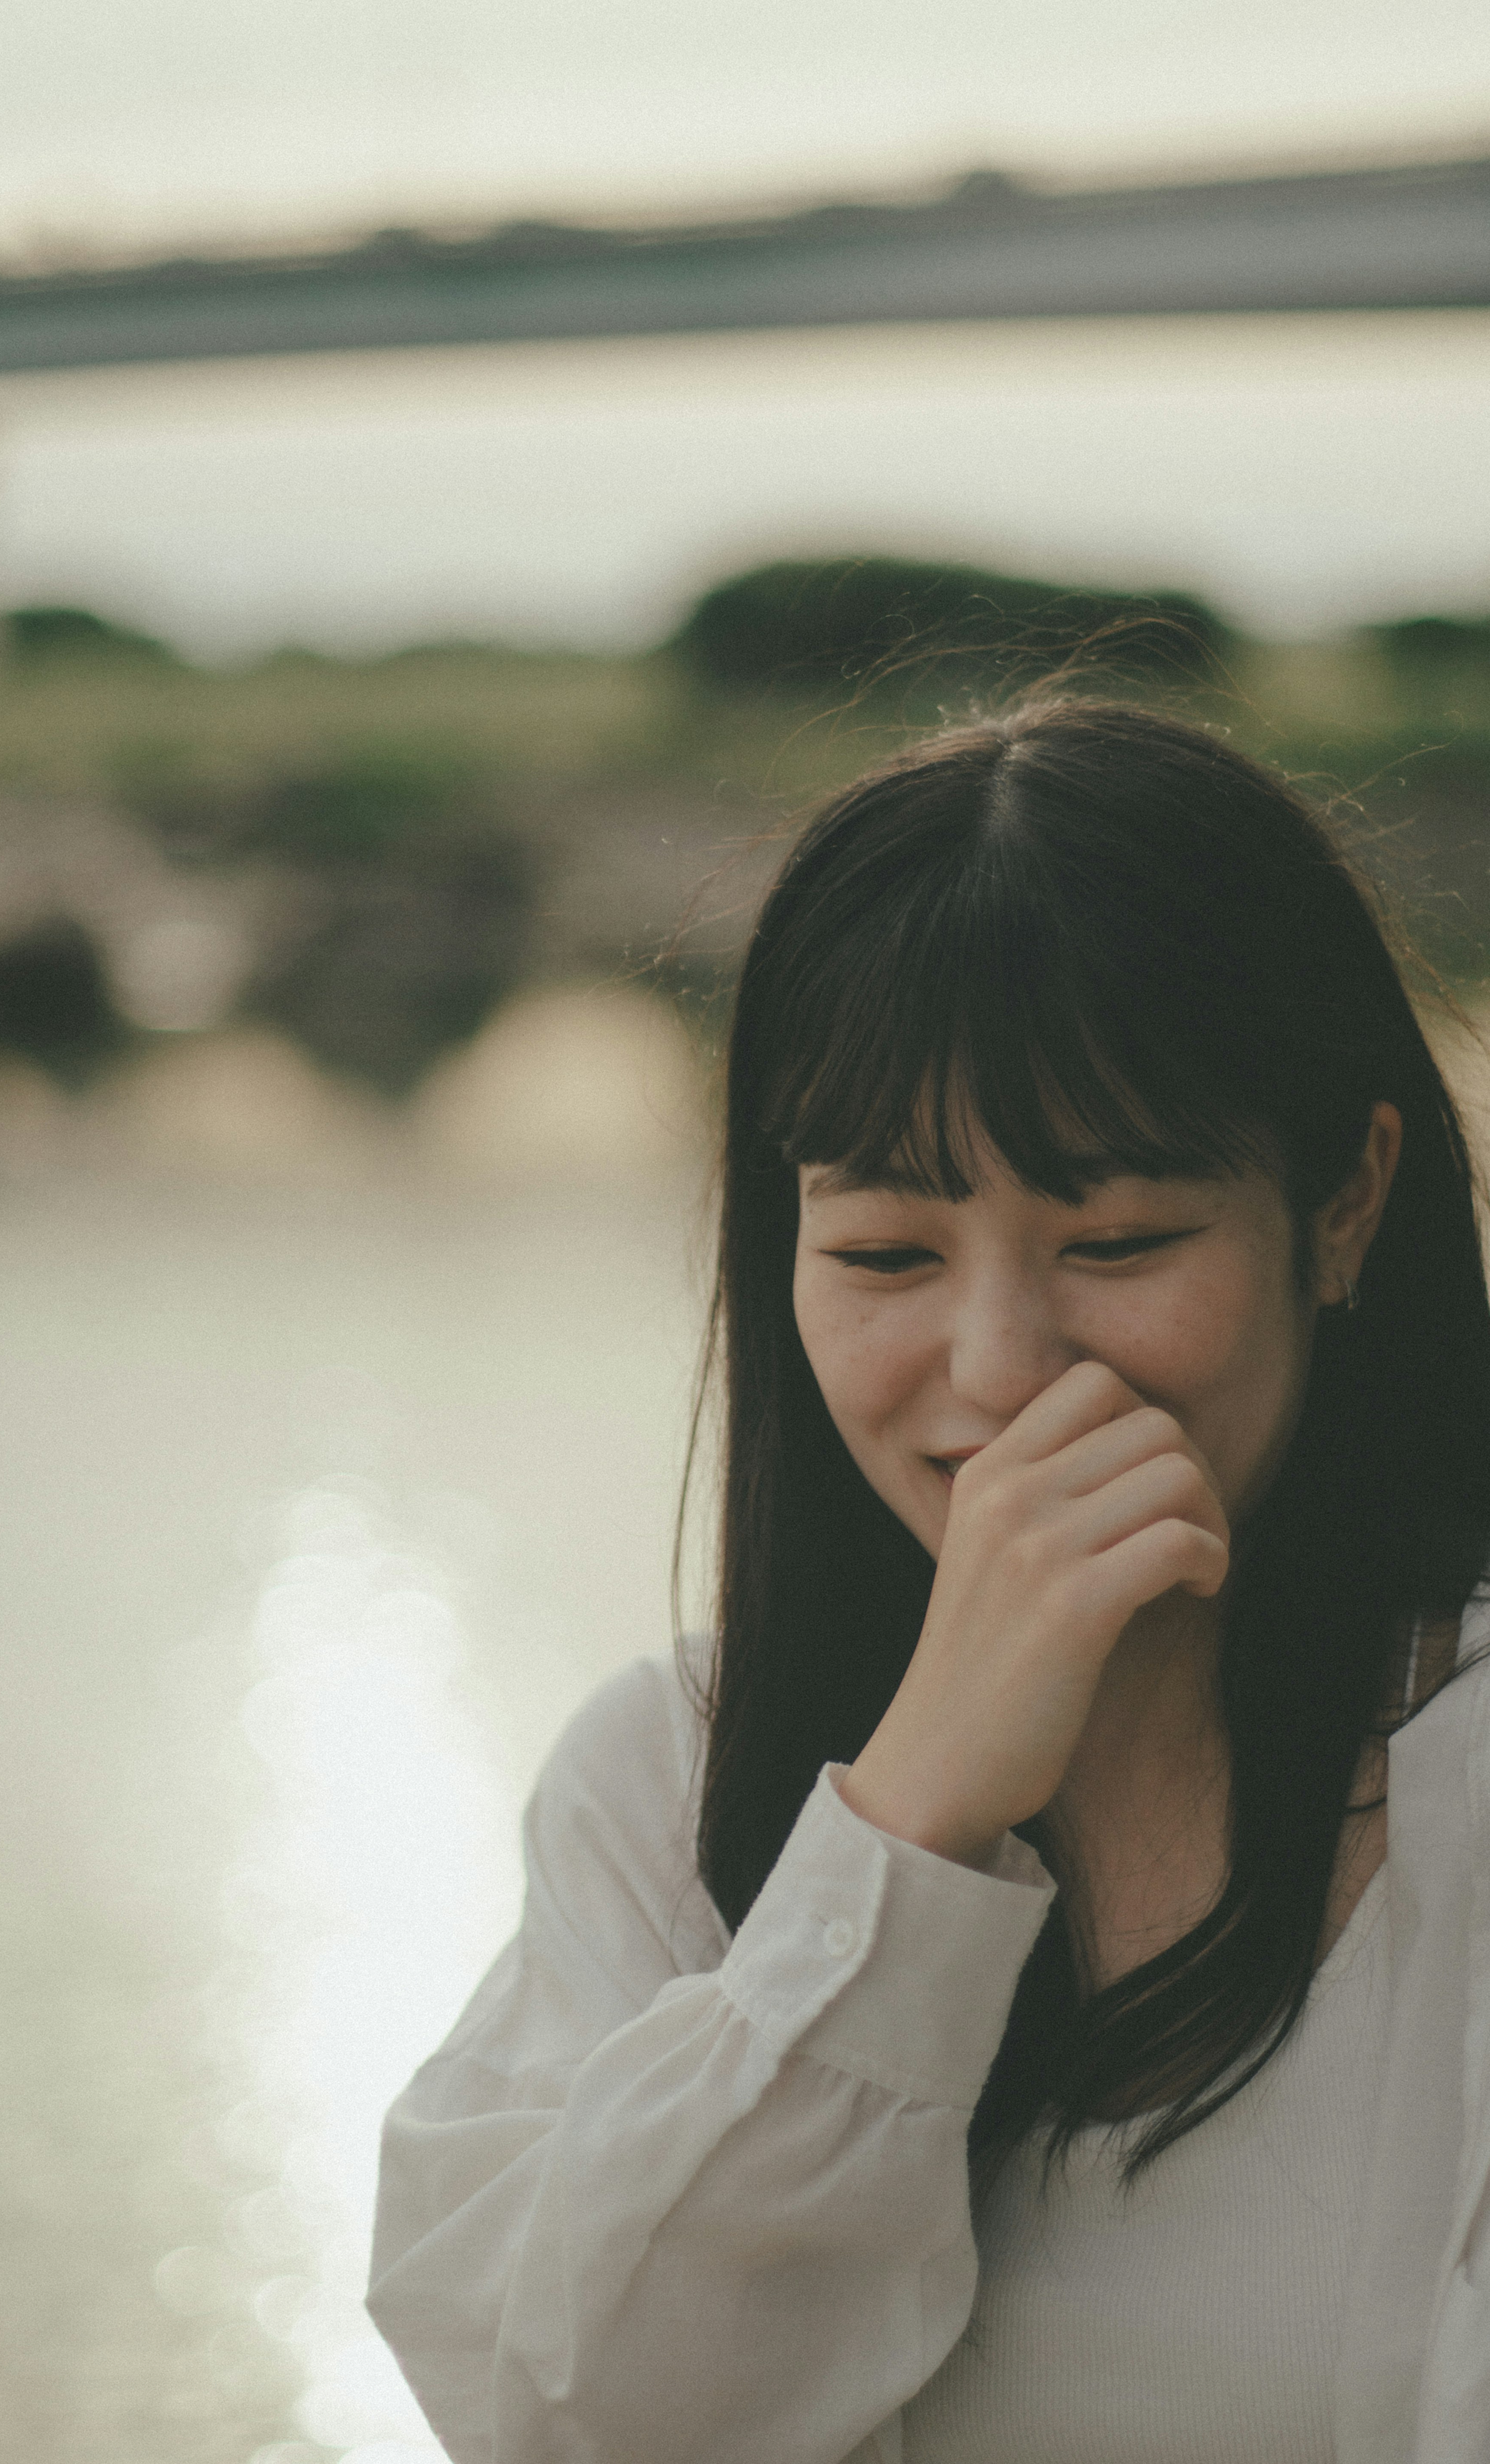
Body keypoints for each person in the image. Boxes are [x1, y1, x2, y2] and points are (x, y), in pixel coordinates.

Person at [366, 700, 1490, 2463]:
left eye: (1117, 1243)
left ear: (1344, 1204)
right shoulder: (664, 1782)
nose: (996, 1363)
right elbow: (576, 2425)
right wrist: (908, 1830)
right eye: (887, 1250)